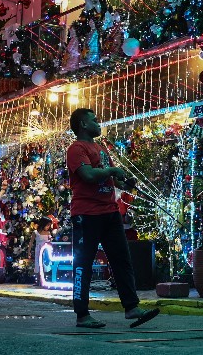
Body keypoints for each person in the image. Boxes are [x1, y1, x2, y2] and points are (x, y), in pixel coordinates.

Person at [67, 108, 158, 329]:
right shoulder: (76, 148)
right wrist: (111, 171)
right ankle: (82, 314)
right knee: (83, 264)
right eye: (95, 120)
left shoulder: (100, 148)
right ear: (83, 124)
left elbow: (114, 181)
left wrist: (126, 182)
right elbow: (88, 175)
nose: (99, 124)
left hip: (109, 211)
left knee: (121, 260)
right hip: (86, 214)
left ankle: (131, 307)